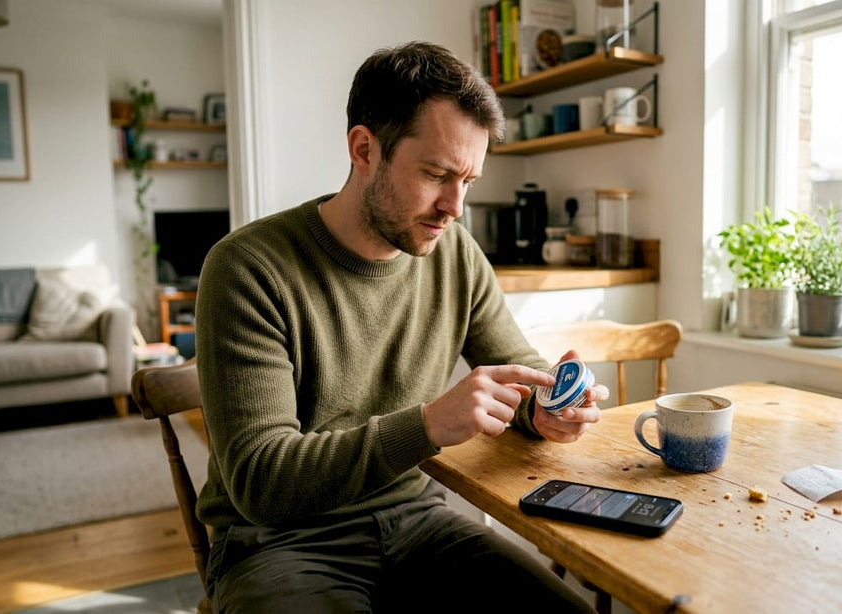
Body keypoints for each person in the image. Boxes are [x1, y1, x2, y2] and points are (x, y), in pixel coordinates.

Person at [194, 41, 609, 613]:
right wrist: (429, 425)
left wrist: (547, 408)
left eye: (469, 180)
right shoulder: (248, 268)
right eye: (438, 174)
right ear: (365, 150)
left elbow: (520, 371)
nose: (455, 206)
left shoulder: (455, 253)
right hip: (279, 545)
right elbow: (262, 483)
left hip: (418, 521)